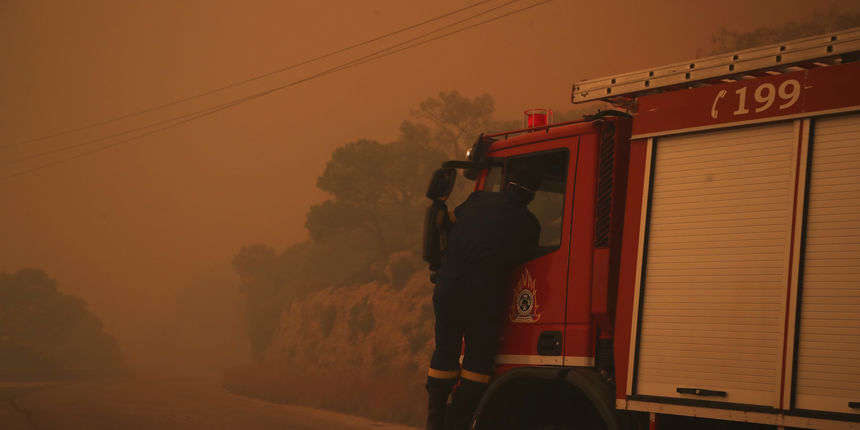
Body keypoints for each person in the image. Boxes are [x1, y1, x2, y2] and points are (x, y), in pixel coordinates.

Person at [425, 167, 541, 430]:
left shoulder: (477, 200)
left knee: (444, 351)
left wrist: (438, 263)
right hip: (483, 294)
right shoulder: (529, 224)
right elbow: (526, 260)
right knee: (478, 357)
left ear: (506, 182)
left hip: (448, 287)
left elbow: (445, 223)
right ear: (532, 194)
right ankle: (460, 421)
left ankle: (434, 422)